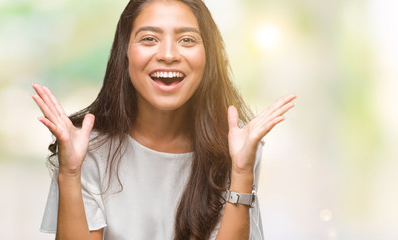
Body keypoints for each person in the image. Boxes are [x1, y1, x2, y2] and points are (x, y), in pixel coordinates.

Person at [32, 0, 296, 239]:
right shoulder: (87, 147)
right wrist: (69, 173)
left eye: (187, 40)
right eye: (149, 38)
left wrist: (241, 172)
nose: (168, 55)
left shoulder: (235, 148)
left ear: (209, 57)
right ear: (124, 53)